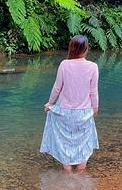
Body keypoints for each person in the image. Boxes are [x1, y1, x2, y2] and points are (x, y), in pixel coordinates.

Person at [40, 35, 99, 173]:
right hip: (84, 113)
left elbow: (57, 87)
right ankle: (79, 175)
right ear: (86, 48)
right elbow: (93, 91)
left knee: (64, 143)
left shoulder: (64, 64)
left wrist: (50, 103)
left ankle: (67, 173)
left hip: (64, 113)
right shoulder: (93, 67)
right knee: (83, 143)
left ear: (71, 48)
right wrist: (95, 108)